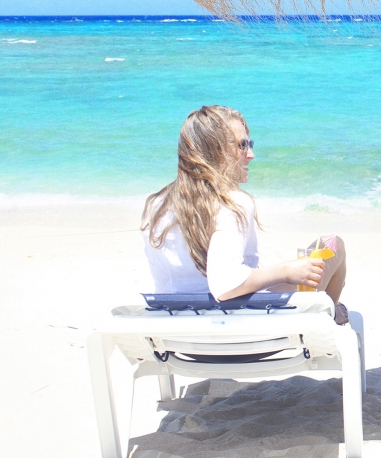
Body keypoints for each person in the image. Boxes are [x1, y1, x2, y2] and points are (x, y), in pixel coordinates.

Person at [142, 104, 350, 325]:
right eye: (242, 145)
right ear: (214, 150)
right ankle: (330, 317)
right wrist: (285, 271)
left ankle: (331, 311)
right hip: (242, 334)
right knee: (332, 244)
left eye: (249, 144)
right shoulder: (232, 203)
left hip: (181, 337)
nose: (251, 154)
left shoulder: (156, 206)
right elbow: (226, 285)